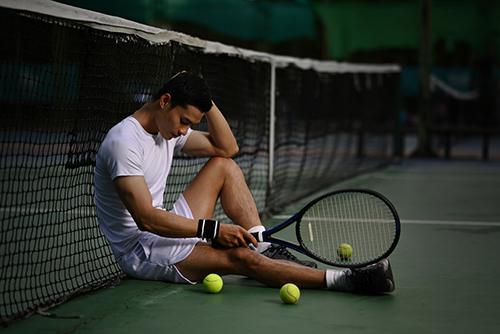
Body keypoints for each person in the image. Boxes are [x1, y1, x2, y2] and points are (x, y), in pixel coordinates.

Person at [94, 71, 395, 293]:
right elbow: (146, 219)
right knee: (238, 258)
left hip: (166, 226)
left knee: (223, 166)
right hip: (142, 250)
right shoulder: (124, 143)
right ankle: (348, 280)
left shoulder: (168, 129)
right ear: (165, 101)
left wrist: (206, 101)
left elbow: (227, 149)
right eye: (184, 120)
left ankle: (262, 244)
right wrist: (214, 230)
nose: (184, 130)